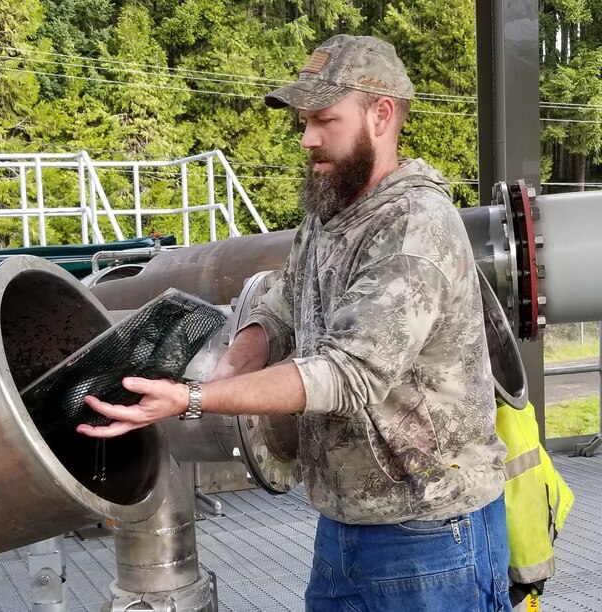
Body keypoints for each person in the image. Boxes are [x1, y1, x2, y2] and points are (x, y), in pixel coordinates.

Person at [78, 34, 513, 611]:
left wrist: (195, 398)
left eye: (324, 120)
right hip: (346, 522)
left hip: (431, 535)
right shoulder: (334, 211)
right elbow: (286, 303)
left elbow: (347, 374)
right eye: (304, 122)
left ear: (381, 115)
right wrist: (240, 352)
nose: (307, 138)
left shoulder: (413, 228)